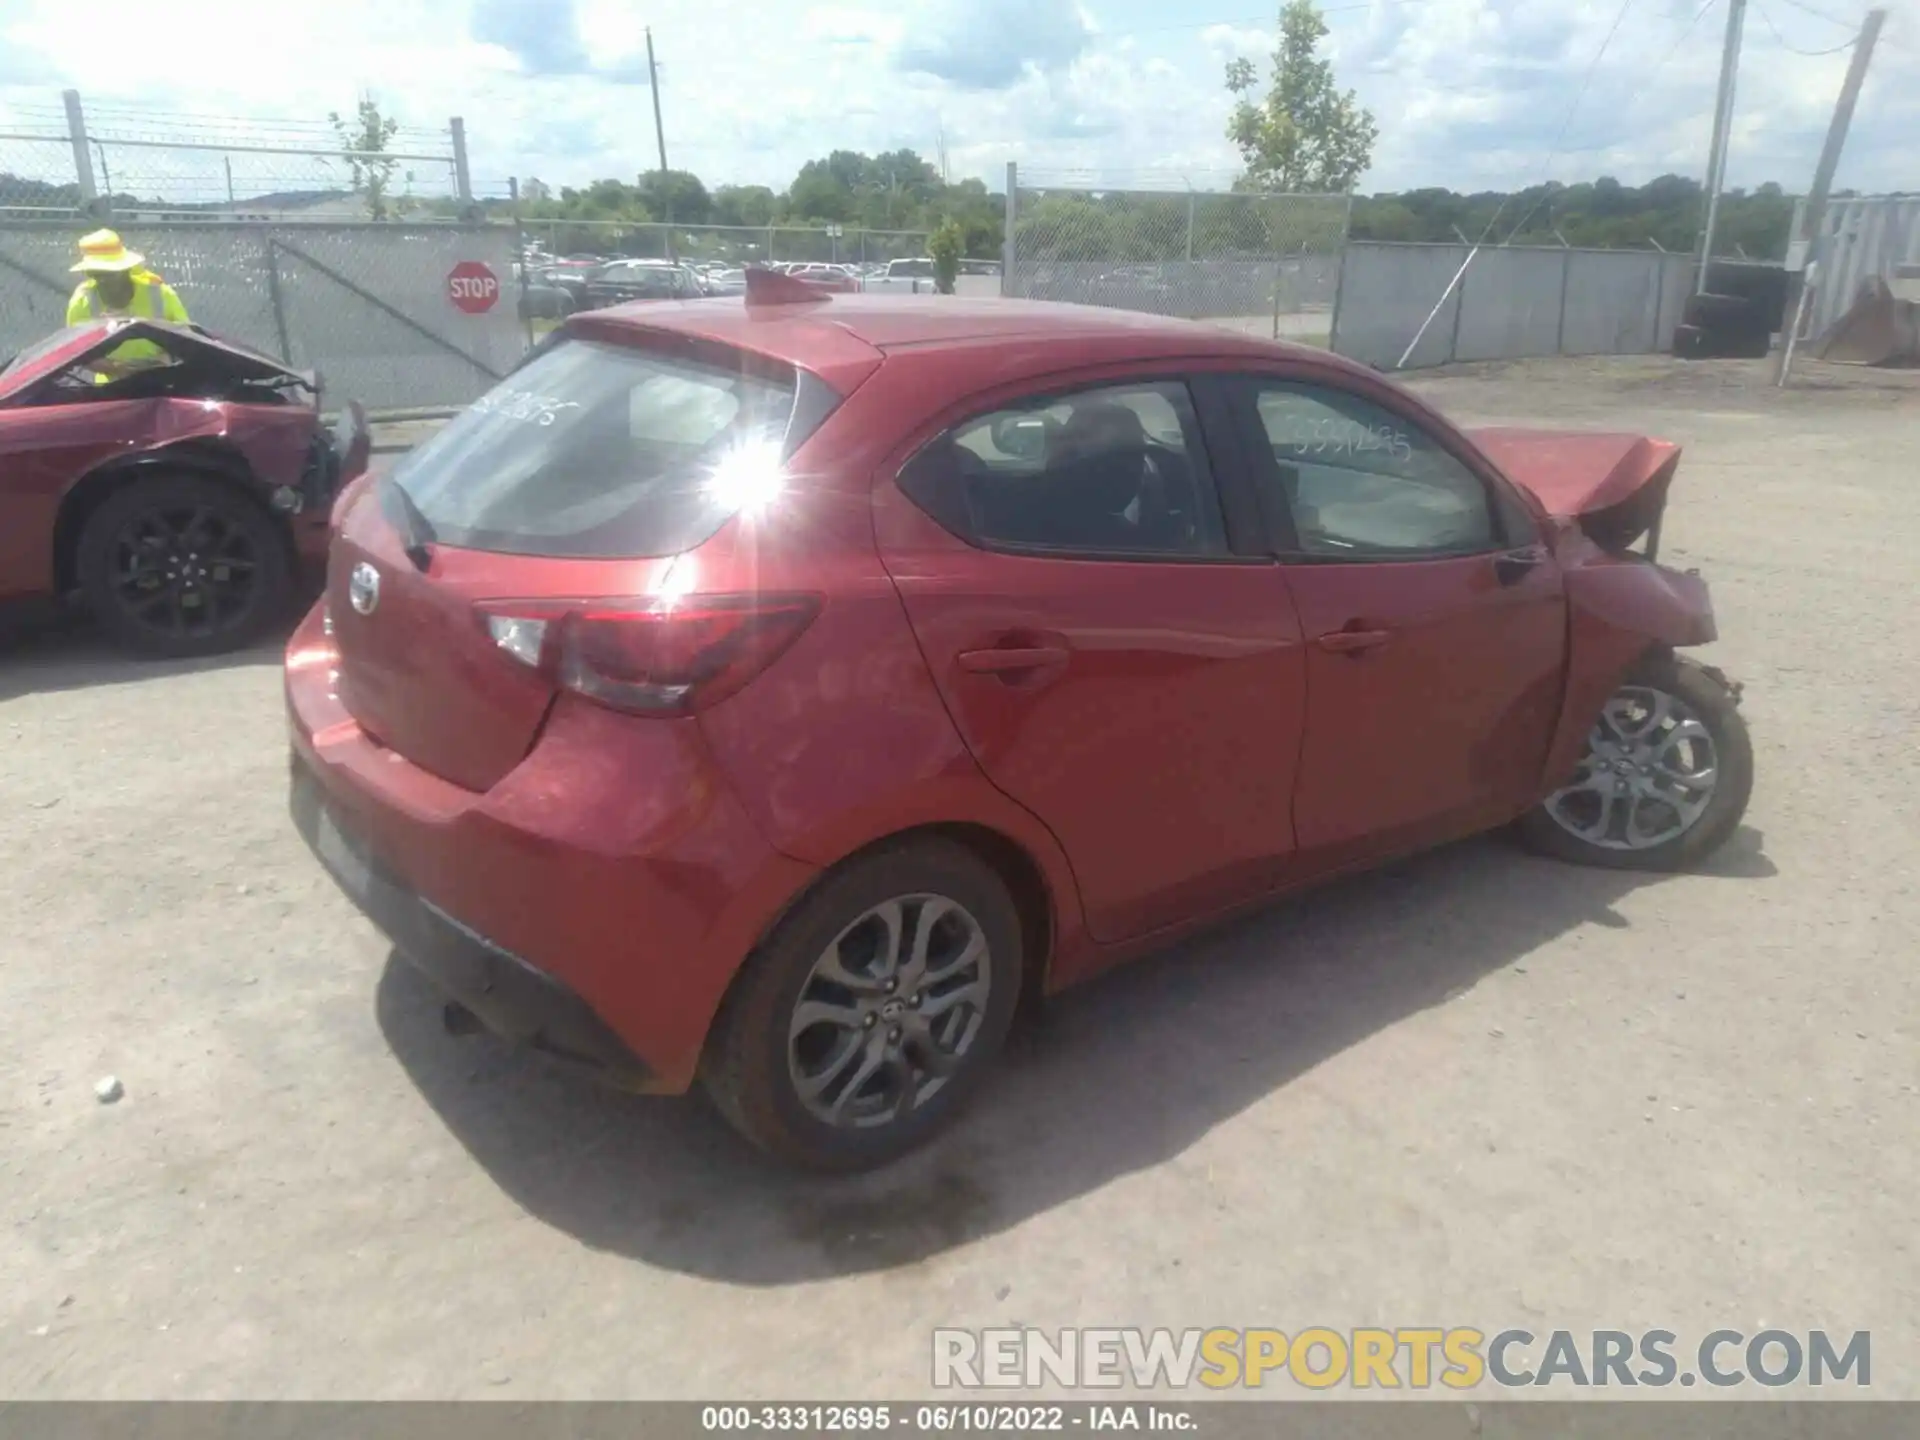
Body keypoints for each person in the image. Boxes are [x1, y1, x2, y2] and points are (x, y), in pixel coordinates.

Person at [65, 229, 190, 373]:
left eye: (109, 273)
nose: (103, 280)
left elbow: (186, 336)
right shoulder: (82, 300)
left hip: (162, 378)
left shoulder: (159, 292)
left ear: (125, 270)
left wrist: (166, 358)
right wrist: (117, 369)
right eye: (96, 274)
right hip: (110, 386)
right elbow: (77, 353)